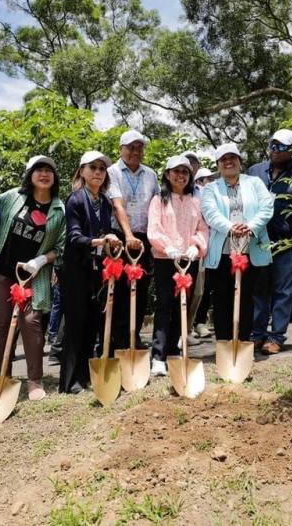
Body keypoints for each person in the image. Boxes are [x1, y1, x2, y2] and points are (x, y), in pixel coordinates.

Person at [0, 155, 66, 401]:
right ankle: (5, 376)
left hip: (34, 275)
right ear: (29, 175)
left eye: (49, 171)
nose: (44, 174)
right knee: (2, 326)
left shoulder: (58, 209)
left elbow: (62, 246)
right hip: (4, 272)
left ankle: (34, 380)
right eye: (38, 170)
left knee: (31, 323)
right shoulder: (13, 197)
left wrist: (41, 260)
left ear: (54, 178)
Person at [60, 151, 121, 394]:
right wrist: (100, 241)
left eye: (102, 169)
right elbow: (74, 237)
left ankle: (86, 376)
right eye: (92, 168)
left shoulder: (105, 202)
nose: (97, 172)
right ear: (82, 172)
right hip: (76, 269)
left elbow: (106, 231)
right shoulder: (74, 200)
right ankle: (71, 381)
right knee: (76, 323)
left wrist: (112, 240)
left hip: (98, 270)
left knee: (94, 322)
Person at [201, 143, 273, 347]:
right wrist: (231, 228)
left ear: (240, 162)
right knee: (222, 297)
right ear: (218, 165)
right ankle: (224, 343)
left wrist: (250, 227)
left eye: (232, 157)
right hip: (223, 251)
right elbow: (210, 213)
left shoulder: (255, 183)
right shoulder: (211, 188)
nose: (228, 162)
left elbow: (267, 208)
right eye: (223, 159)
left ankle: (242, 341)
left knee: (247, 297)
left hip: (251, 248)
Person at [249, 129, 292, 355]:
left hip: (288, 243)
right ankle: (257, 334)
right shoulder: (255, 171)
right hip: (259, 242)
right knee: (259, 290)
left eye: (282, 146)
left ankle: (276, 337)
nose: (276, 150)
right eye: (273, 145)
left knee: (283, 291)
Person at [147, 155, 208, 376]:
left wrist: (195, 247)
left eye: (185, 172)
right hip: (166, 260)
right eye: (176, 171)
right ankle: (158, 356)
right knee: (165, 306)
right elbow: (154, 228)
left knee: (183, 306)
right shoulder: (159, 199)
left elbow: (202, 228)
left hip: (188, 260)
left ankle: (174, 350)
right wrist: (168, 247)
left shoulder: (195, 200)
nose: (180, 176)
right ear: (167, 174)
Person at [106, 130, 159, 351]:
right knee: (117, 289)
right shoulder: (112, 171)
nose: (135, 151)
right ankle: (115, 339)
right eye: (130, 147)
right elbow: (117, 204)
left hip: (145, 238)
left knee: (141, 288)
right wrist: (128, 236)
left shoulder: (150, 174)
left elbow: (157, 205)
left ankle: (133, 335)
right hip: (120, 238)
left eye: (139, 147)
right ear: (121, 149)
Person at [192, 168, 217, 339]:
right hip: (195, 247)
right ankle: (187, 328)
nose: (210, 181)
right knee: (195, 289)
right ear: (198, 182)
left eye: (211, 178)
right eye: (206, 179)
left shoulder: (214, 195)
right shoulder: (195, 195)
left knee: (206, 288)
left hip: (213, 246)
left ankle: (200, 323)